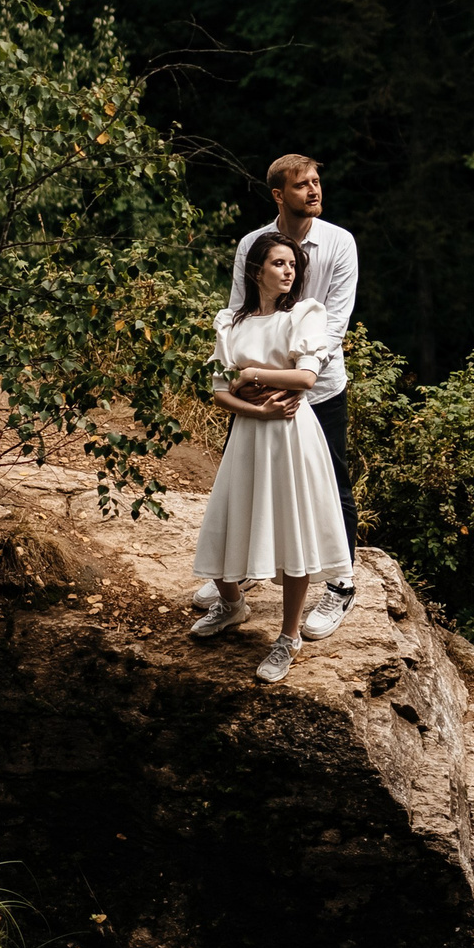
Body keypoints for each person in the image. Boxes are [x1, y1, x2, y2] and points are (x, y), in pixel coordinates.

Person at [191, 153, 363, 638]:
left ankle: (340, 584)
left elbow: (334, 324)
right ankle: (245, 568)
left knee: (331, 482)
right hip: (257, 388)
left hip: (318, 386)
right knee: (247, 475)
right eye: (301, 185)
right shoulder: (254, 243)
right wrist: (251, 380)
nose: (314, 191)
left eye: (316, 181)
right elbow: (238, 308)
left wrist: (285, 375)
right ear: (278, 194)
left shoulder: (338, 243)